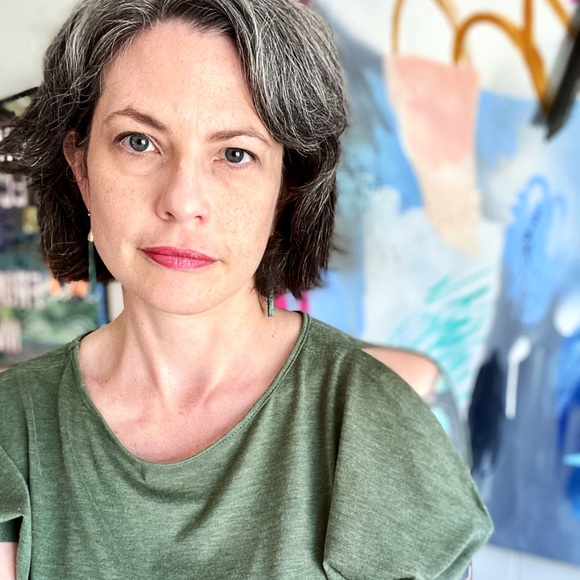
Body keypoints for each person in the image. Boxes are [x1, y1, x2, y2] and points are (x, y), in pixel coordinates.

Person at [0, 0, 492, 577]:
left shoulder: (376, 424)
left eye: (235, 154)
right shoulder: (12, 427)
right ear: (81, 167)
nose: (182, 201)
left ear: (286, 188)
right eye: (138, 141)